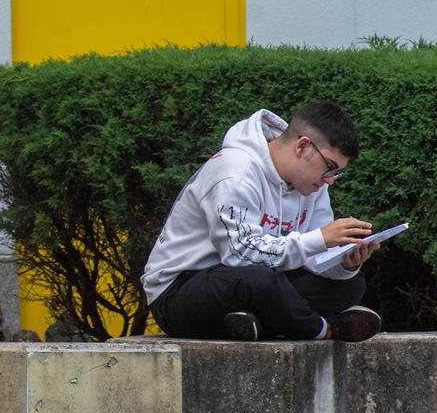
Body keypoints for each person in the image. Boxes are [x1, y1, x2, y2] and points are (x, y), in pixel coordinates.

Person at [142, 101, 384, 342]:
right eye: (329, 167)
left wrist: (345, 263)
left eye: (336, 173)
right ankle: (325, 329)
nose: (329, 180)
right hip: (179, 290)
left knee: (350, 286)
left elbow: (311, 256)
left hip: (255, 282)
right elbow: (240, 255)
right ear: (303, 147)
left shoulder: (312, 184)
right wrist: (320, 238)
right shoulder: (235, 173)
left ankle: (246, 323)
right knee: (260, 282)